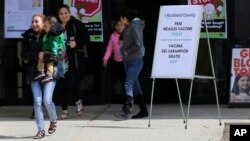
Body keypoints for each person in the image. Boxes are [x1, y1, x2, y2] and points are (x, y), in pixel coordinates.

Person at [21, 14, 58, 139]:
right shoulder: (28, 36)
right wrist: (38, 54)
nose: (34, 24)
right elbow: (23, 55)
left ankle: (53, 120)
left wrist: (44, 56)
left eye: (36, 21)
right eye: (32, 22)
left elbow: (57, 52)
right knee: (37, 102)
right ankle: (40, 130)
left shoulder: (50, 34)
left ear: (43, 23)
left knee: (47, 100)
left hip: (49, 72)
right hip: (33, 73)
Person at [57, 4, 90, 120]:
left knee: (70, 84)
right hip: (59, 60)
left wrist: (76, 43)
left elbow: (87, 38)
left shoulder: (76, 24)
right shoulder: (56, 26)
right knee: (61, 86)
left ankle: (77, 101)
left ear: (69, 13)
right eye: (61, 14)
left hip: (73, 59)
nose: (64, 15)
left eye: (66, 13)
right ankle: (65, 111)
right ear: (58, 15)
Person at [115, 8, 148, 119]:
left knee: (128, 84)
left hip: (135, 60)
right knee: (135, 86)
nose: (120, 20)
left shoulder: (134, 26)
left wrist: (126, 51)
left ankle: (126, 110)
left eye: (121, 18)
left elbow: (138, 43)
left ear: (125, 18)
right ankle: (143, 111)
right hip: (128, 60)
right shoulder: (129, 26)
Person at [34, 16, 65, 84]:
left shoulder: (53, 34)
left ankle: (44, 73)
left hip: (54, 51)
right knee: (47, 60)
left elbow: (54, 44)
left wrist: (53, 54)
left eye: (46, 26)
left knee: (46, 60)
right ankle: (46, 74)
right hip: (56, 51)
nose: (44, 28)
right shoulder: (56, 32)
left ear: (52, 26)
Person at [103, 19, 125, 99]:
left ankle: (128, 102)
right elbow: (109, 49)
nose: (119, 27)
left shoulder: (128, 34)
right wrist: (105, 58)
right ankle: (126, 101)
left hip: (126, 62)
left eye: (121, 25)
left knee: (126, 82)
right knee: (121, 81)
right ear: (115, 26)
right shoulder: (113, 36)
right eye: (117, 25)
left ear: (124, 26)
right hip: (117, 62)